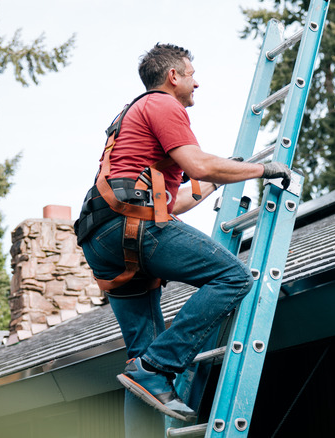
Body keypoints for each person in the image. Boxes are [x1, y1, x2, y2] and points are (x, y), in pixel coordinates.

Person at [74, 43, 291, 425]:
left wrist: (225, 176)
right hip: (132, 225)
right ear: (173, 76)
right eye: (192, 75)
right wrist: (263, 171)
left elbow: (178, 200)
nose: (197, 83)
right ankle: (159, 367)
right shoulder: (163, 105)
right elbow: (199, 165)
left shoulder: (131, 118)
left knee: (139, 358)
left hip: (104, 237)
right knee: (232, 276)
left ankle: (150, 371)